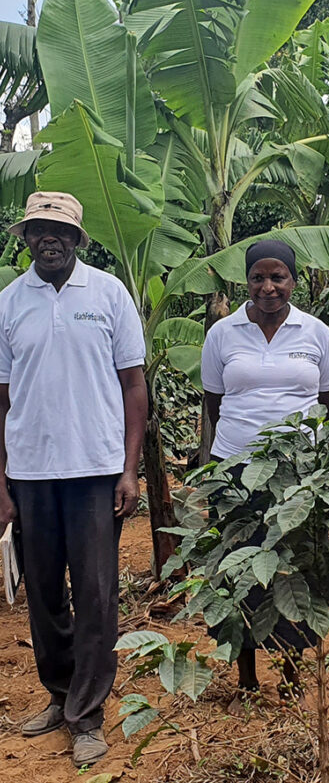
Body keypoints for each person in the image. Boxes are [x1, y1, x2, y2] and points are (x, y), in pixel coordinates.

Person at [0, 192, 148, 767]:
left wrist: (129, 469)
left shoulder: (109, 294)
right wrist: (3, 481)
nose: (49, 238)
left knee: (95, 595)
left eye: (59, 230)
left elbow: (134, 386)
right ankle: (60, 695)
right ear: (27, 237)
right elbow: (2, 398)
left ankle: (87, 715)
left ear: (78, 239)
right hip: (32, 473)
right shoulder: (10, 302)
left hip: (95, 470)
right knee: (42, 595)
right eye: (38, 229)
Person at [201, 239, 329, 695]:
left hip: (299, 472)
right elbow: (214, 402)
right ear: (246, 280)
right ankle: (245, 675)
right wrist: (244, 444)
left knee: (295, 567)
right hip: (236, 468)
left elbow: (328, 402)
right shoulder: (222, 333)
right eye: (258, 277)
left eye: (277, 276)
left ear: (293, 280)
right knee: (238, 566)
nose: (268, 287)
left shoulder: (316, 332)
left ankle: (290, 670)